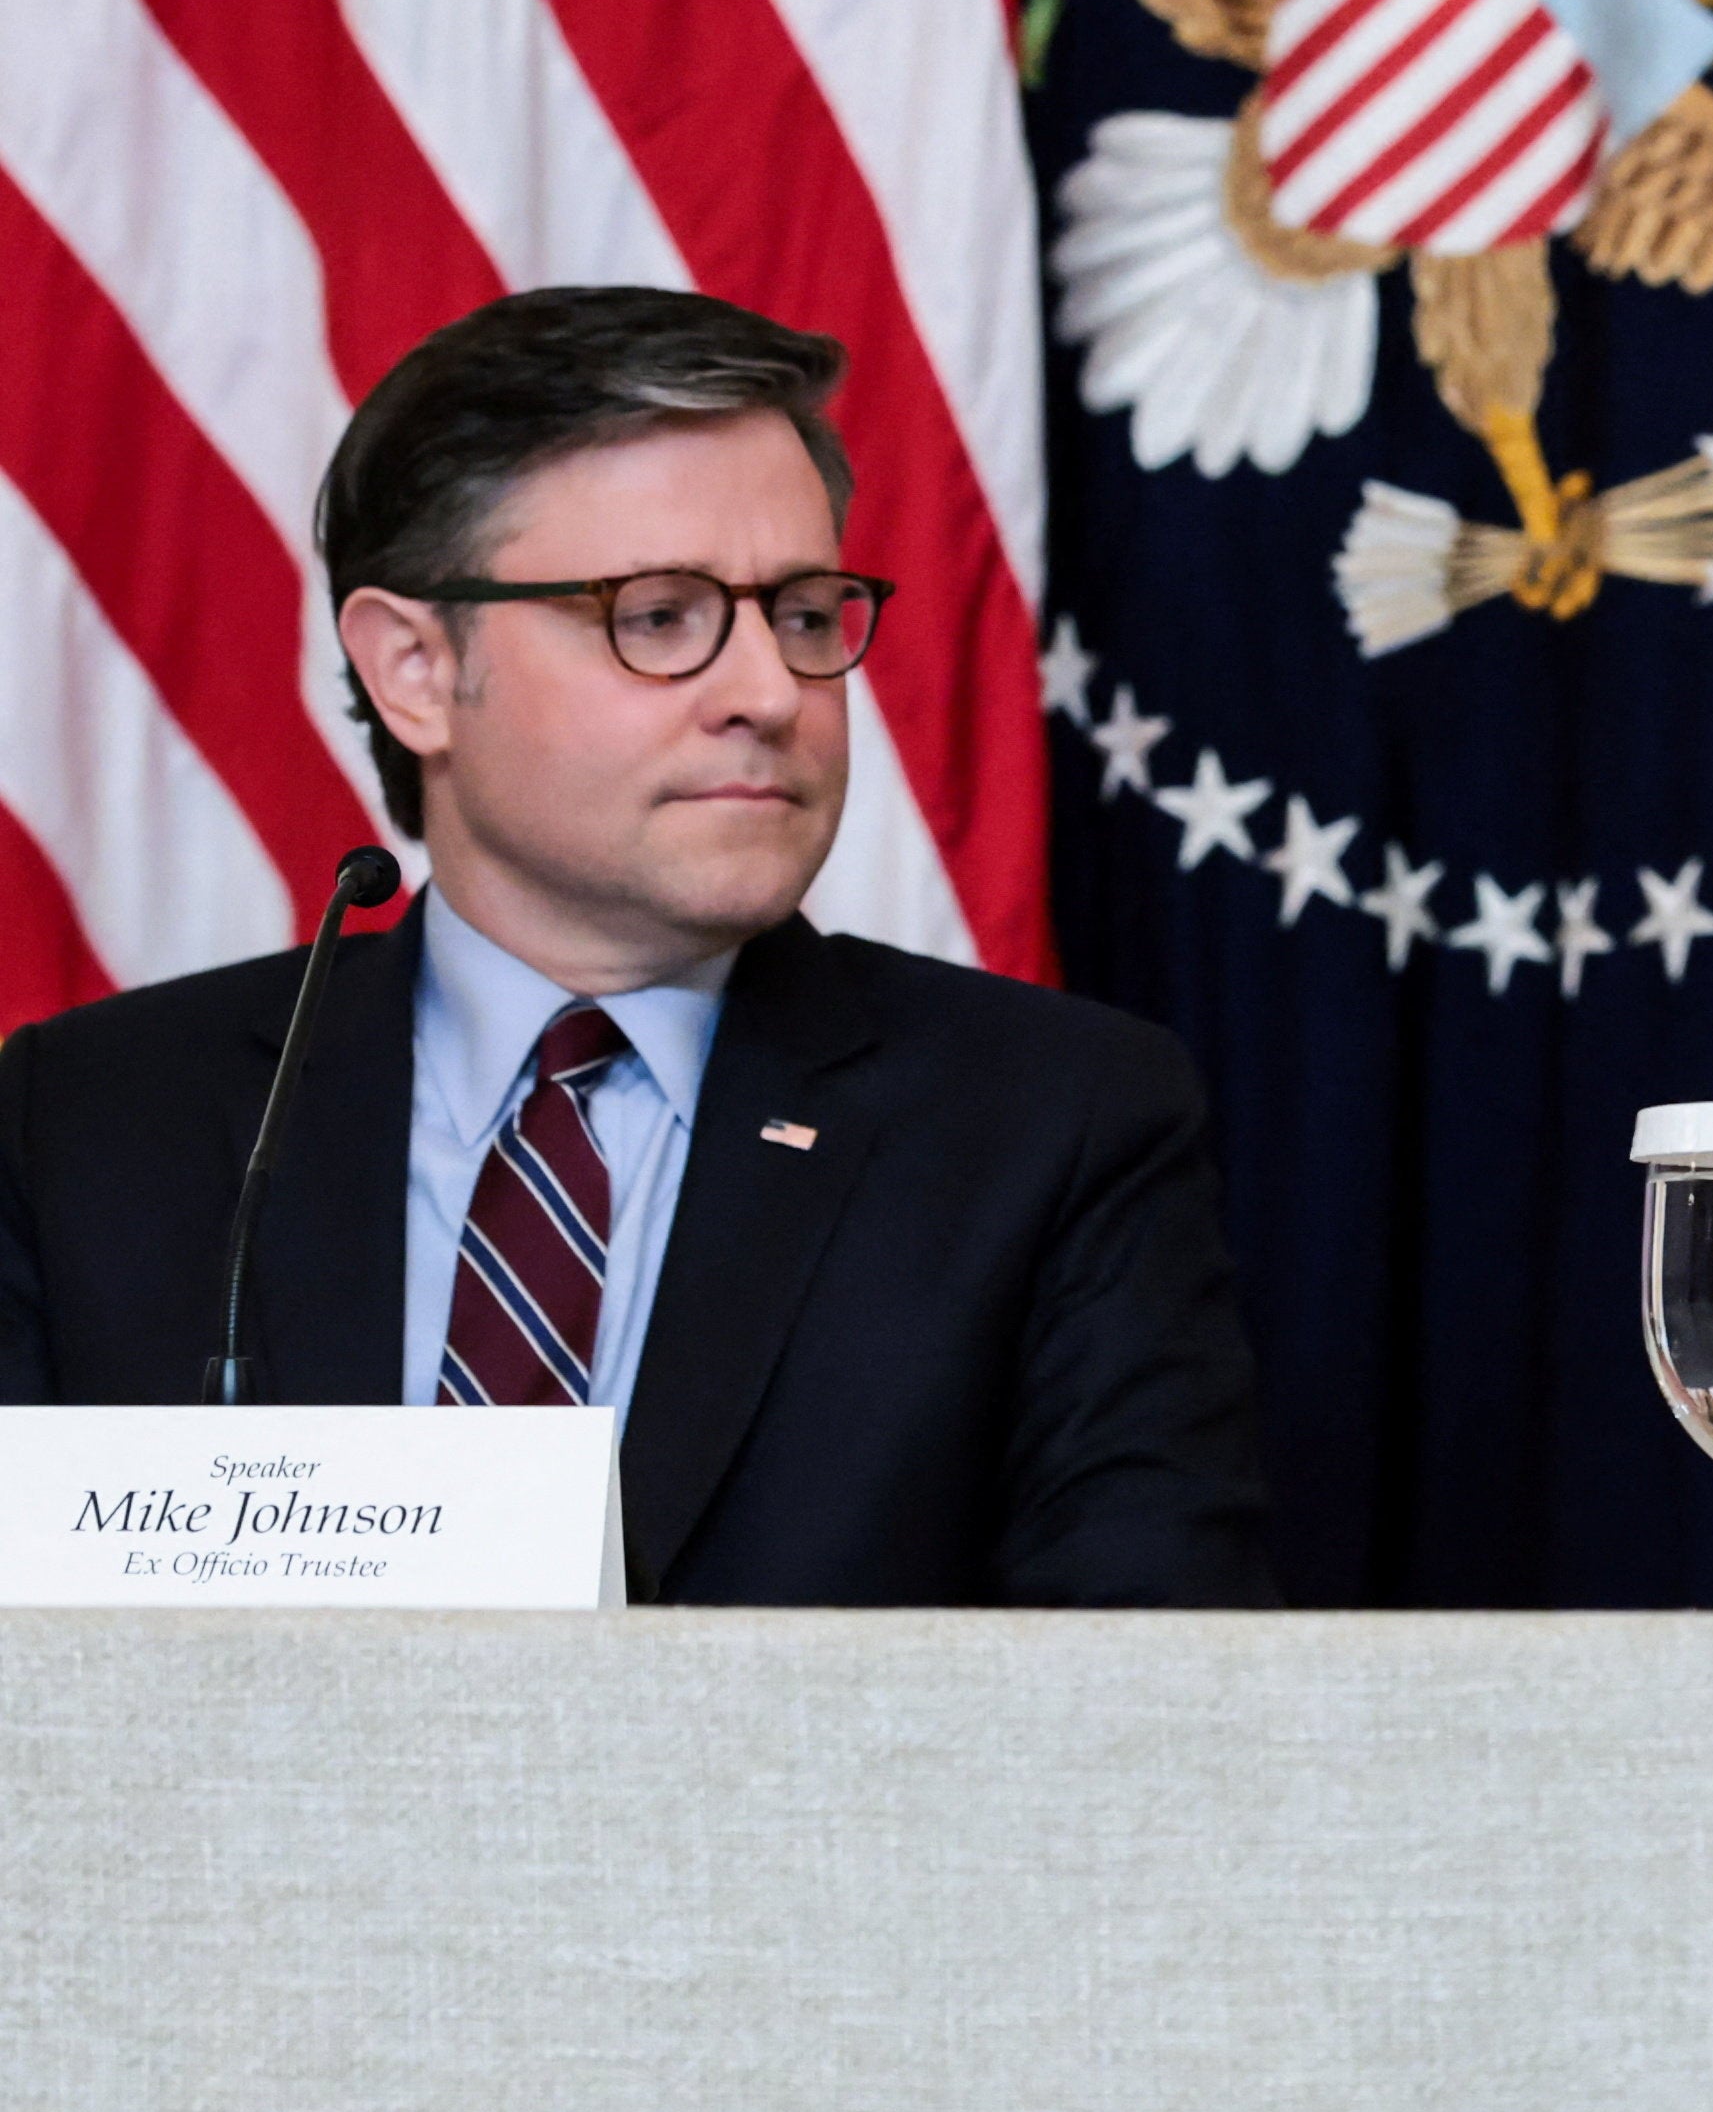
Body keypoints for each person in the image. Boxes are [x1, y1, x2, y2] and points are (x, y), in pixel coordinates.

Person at [0, 287, 1277, 1606]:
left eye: (802, 613)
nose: (771, 695)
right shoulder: (94, 1121)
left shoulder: (1053, 1127)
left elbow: (1151, 1722)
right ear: (416, 671)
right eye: (659, 616)